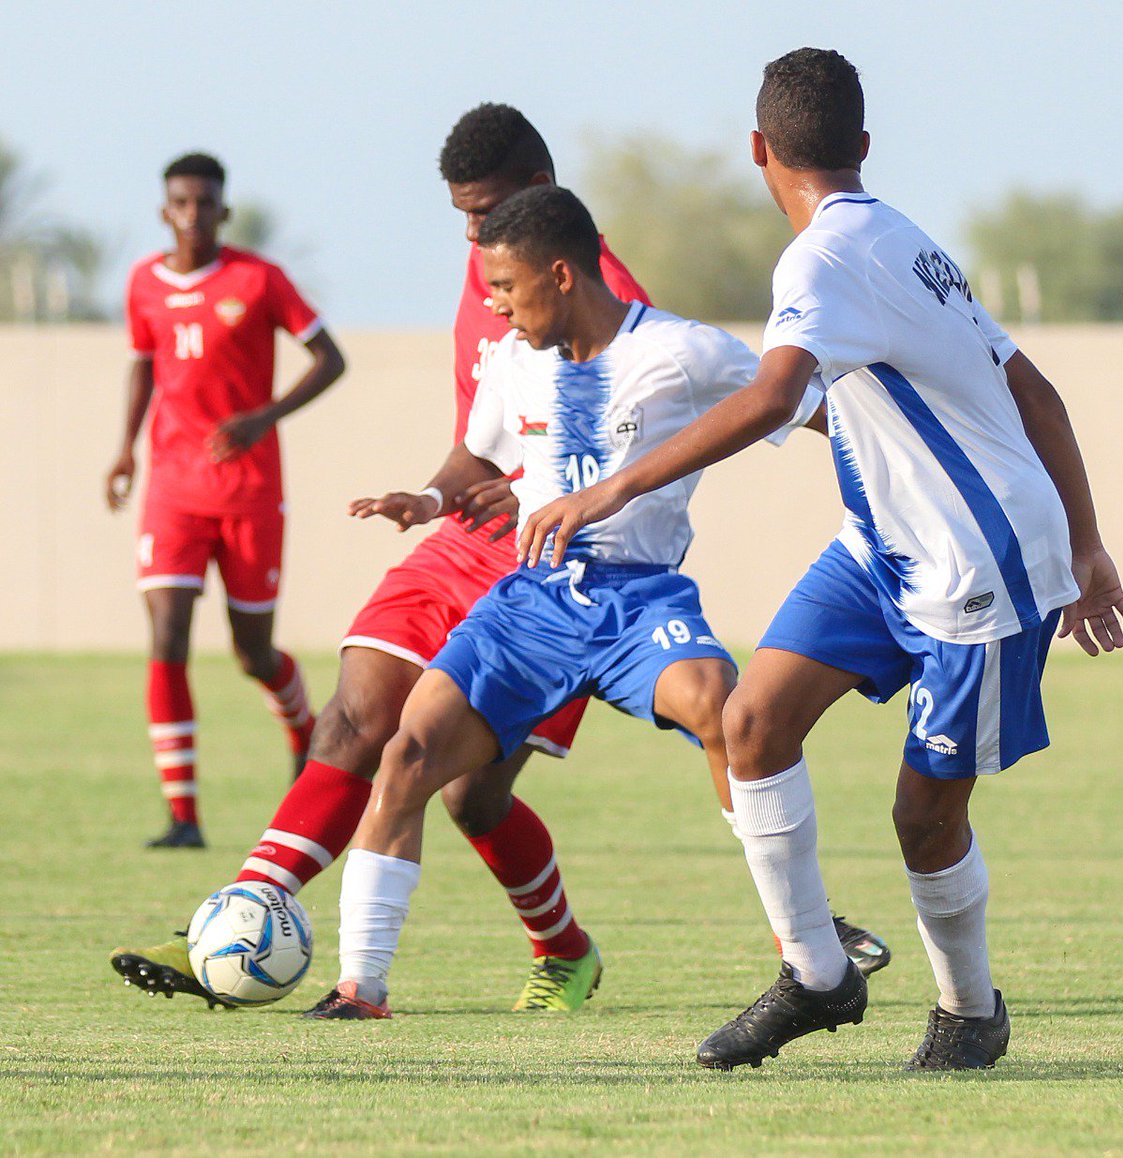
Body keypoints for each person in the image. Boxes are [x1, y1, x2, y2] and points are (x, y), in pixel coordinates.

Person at [109, 108, 886, 1014]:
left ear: (548, 228)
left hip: (601, 575)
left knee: (482, 795)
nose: (477, 247)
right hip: (485, 562)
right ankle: (259, 916)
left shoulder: (619, 308)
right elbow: (480, 443)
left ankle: (740, 936)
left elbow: (749, 403)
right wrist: (434, 498)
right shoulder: (500, 287)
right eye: (463, 222)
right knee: (365, 727)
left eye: (489, 221)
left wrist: (886, 478)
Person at [518, 48, 1123, 1071]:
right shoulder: (903, 239)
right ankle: (817, 975)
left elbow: (770, 393)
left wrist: (610, 487)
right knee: (752, 725)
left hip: (976, 563)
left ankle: (970, 1012)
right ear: (862, 145)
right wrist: (1094, 540)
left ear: (757, 150)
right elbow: (1037, 395)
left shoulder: (826, 260)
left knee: (923, 816)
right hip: (883, 545)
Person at [303, 183, 824, 1019]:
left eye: (505, 288)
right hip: (531, 605)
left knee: (722, 715)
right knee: (407, 760)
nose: (496, 309)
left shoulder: (685, 352)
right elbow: (475, 460)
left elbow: (810, 408)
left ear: (560, 275)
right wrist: (429, 502)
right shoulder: (514, 363)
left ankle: (803, 940)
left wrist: (892, 472)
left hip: (638, 598)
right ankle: (360, 987)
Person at [105, 152, 345, 849]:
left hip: (248, 491)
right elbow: (143, 366)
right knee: (167, 637)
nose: (192, 214)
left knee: (252, 651)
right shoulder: (143, 283)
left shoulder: (258, 279)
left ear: (222, 210)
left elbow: (330, 358)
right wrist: (125, 449)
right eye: (181, 202)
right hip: (173, 491)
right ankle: (183, 816)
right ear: (164, 210)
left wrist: (264, 416)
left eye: (205, 202)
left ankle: (304, 735)